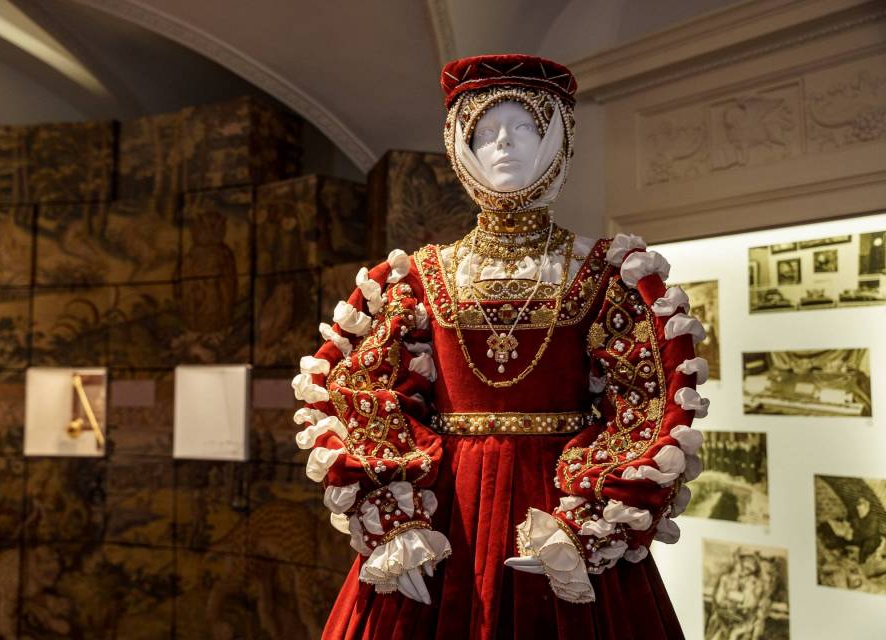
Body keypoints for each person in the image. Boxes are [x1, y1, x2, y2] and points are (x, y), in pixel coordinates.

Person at [292, 54, 708, 639]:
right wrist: (394, 516)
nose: (503, 144)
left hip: (558, 503)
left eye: (526, 127)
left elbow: (646, 399)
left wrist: (590, 522)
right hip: (445, 514)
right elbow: (357, 387)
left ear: (559, 140)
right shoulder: (416, 279)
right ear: (459, 147)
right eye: (483, 132)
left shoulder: (607, 274)